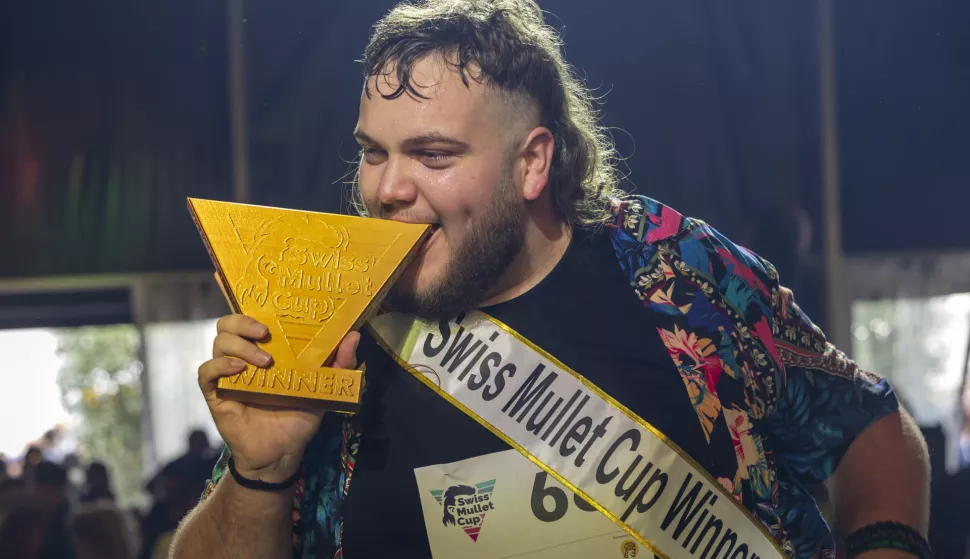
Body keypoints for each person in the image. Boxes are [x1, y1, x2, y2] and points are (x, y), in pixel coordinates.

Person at [170, 1, 930, 558]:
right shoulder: (335, 328)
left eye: (432, 155)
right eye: (374, 152)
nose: (387, 188)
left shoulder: (674, 269)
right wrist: (259, 471)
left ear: (532, 162)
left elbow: (868, 428)